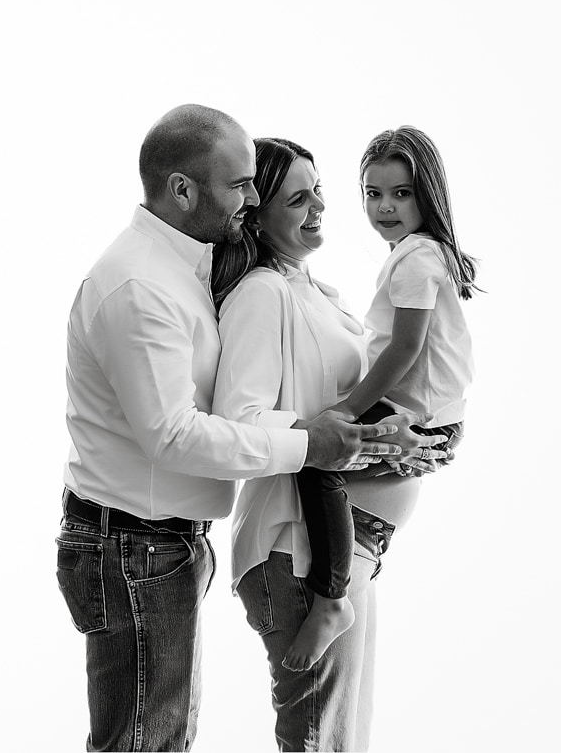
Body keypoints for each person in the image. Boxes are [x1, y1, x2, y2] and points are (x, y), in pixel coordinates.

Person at [56, 105, 443, 752]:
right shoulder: (141, 285)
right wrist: (313, 441)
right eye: (242, 185)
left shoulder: (190, 270)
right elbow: (178, 435)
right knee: (148, 743)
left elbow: (313, 403)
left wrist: (378, 436)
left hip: (159, 542)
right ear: (183, 190)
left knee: (161, 739)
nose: (254, 197)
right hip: (135, 542)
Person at [210, 136, 453, 750]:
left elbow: (350, 420)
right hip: (300, 553)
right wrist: (342, 434)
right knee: (325, 742)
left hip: (348, 551)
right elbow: (241, 421)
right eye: (297, 198)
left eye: (318, 190)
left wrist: (393, 441)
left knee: (346, 741)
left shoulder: (326, 297)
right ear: (256, 213)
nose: (318, 206)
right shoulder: (264, 293)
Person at [261, 126, 477, 676]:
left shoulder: (416, 259)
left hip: (417, 413)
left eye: (401, 193)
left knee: (315, 457)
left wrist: (348, 412)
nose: (384, 207)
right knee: (318, 449)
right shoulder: (419, 254)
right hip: (430, 417)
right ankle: (338, 587)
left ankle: (332, 599)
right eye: (372, 192)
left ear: (427, 193)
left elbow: (403, 350)